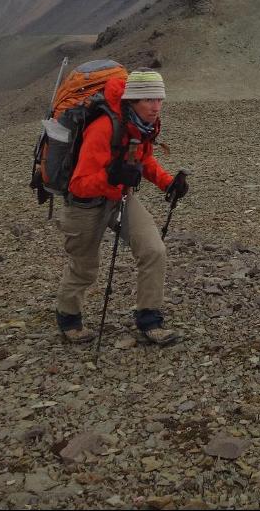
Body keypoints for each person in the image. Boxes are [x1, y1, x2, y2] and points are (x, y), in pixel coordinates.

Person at [53, 69, 188, 346]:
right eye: (148, 100)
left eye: (159, 99)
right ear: (132, 101)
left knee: (153, 250)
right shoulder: (104, 127)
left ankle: (149, 319)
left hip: (119, 197)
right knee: (85, 267)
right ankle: (68, 318)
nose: (155, 106)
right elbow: (79, 184)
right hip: (84, 205)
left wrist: (168, 183)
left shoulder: (143, 125)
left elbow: (144, 160)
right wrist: (111, 177)